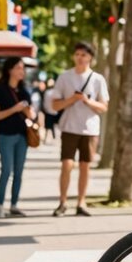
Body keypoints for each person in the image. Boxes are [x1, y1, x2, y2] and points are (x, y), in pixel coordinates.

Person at [51, 41, 109, 217]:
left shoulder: (98, 79)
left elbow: (104, 107)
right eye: (77, 54)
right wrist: (72, 99)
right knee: (67, 165)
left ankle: (81, 202)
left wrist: (86, 101)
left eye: (84, 55)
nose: (80, 58)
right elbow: (54, 105)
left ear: (90, 57)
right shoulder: (65, 77)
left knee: (85, 166)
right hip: (69, 127)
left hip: (90, 129)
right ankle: (62, 202)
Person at [0, 57, 35, 218]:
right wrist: (15, 109)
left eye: (23, 68)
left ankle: (14, 205)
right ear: (9, 70)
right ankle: (0, 205)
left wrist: (27, 111)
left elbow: (32, 114)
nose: (21, 71)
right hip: (6, 136)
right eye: (18, 68)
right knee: (6, 170)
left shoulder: (25, 91)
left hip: (23, 136)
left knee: (19, 172)